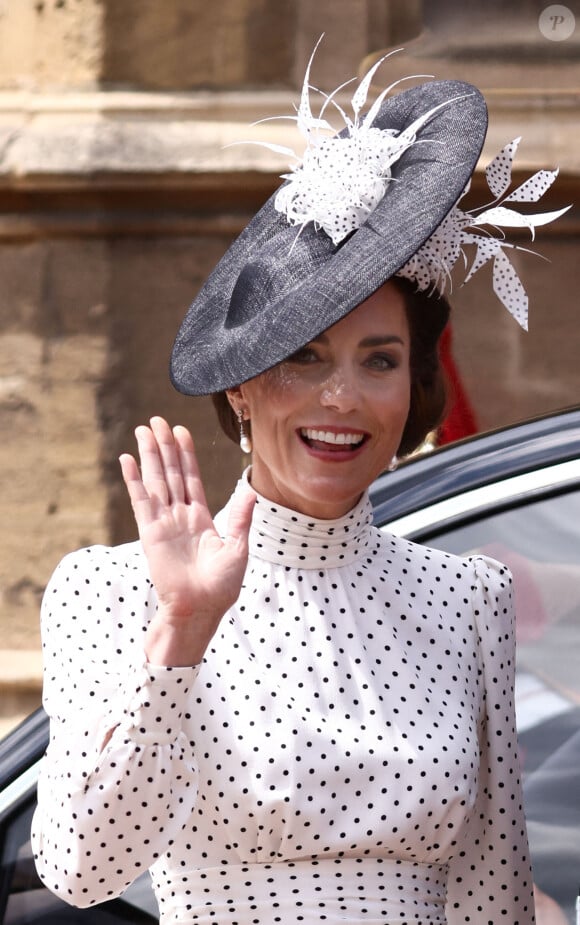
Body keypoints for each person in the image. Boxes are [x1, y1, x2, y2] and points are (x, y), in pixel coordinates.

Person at [31, 45, 567, 924]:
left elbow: (491, 896)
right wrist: (183, 630)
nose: (343, 397)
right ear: (241, 382)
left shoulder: (467, 597)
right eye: (303, 358)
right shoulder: (114, 590)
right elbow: (78, 867)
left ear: (414, 386)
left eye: (379, 360)